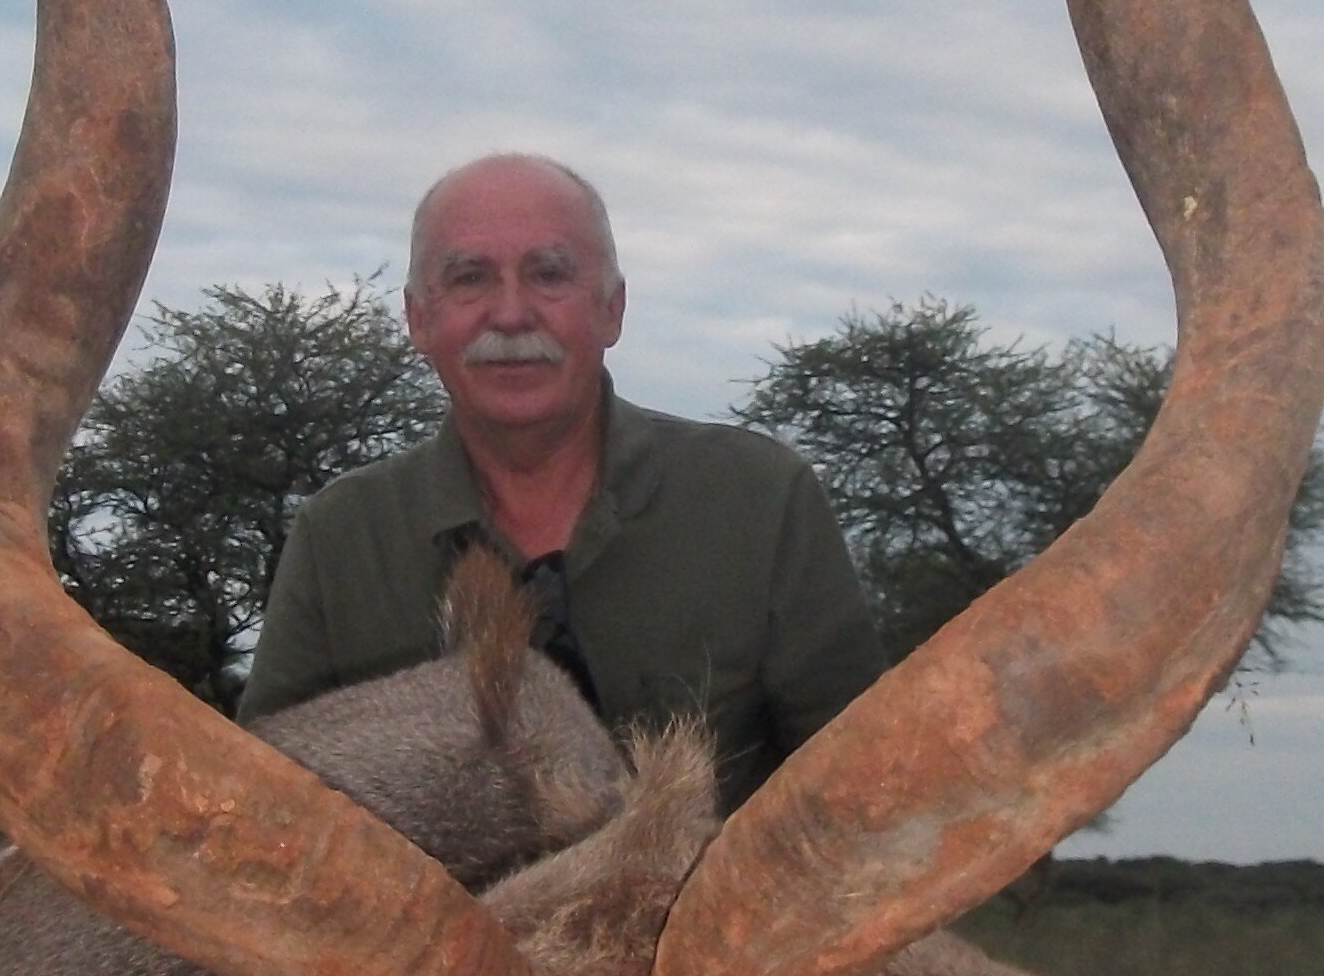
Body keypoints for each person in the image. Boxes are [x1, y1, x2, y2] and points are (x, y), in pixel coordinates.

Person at [240, 154, 880, 812]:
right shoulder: (340, 535)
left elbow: (865, 793)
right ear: (418, 320)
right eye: (469, 279)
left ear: (611, 309)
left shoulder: (762, 497)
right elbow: (266, 812)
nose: (511, 315)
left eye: (549, 275)